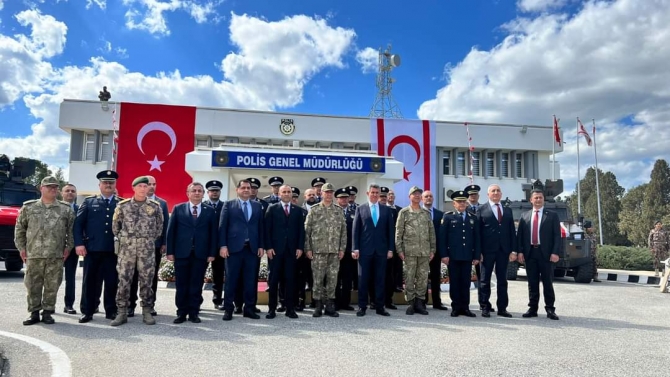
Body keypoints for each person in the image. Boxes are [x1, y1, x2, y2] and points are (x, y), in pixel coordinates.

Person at [15, 176, 75, 325]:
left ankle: (47, 312)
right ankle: (34, 313)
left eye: (55, 187)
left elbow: (72, 231)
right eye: (49, 187)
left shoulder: (65, 209)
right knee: (32, 285)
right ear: (41, 188)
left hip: (56, 255)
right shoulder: (29, 207)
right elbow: (19, 229)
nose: (53, 189)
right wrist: (21, 248)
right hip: (33, 254)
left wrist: (68, 248)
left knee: (52, 285)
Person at [110, 176, 164, 326]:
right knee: (124, 280)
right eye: (139, 186)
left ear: (148, 189)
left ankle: (147, 310)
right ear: (133, 188)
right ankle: (122, 312)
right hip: (126, 250)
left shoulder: (155, 207)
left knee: (147, 280)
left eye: (145, 186)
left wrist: (145, 239)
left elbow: (159, 228)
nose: (142, 189)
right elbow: (115, 227)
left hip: (146, 250)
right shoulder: (123, 206)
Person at [75, 170, 123, 323]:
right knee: (90, 282)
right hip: (92, 248)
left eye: (111, 182)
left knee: (112, 282)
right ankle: (87, 311)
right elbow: (78, 225)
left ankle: (111, 311)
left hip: (113, 250)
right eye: (105, 182)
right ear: (100, 185)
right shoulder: (89, 202)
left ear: (115, 185)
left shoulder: (121, 204)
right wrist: (79, 244)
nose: (108, 185)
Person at [166, 182, 218, 324]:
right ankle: (181, 313)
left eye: (199, 191)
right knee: (181, 285)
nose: (196, 193)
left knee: (196, 285)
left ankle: (194, 312)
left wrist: (212, 252)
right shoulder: (178, 208)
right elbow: (171, 232)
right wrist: (170, 251)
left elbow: (213, 234)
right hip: (181, 253)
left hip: (200, 254)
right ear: (187, 193)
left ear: (203, 193)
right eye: (193, 190)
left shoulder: (209, 211)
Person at [218, 179, 264, 321]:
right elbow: (222, 227)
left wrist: (261, 245)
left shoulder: (257, 206)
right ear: (237, 190)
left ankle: (249, 309)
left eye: (248, 188)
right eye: (243, 187)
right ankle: (228, 309)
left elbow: (260, 228)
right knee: (231, 280)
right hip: (233, 250)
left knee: (250, 281)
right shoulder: (229, 204)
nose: (246, 190)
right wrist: (223, 245)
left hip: (252, 249)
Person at [516, 188, 562, 320]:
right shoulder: (524, 216)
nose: (538, 200)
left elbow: (557, 236)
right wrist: (520, 251)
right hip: (530, 253)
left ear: (544, 200)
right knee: (532, 282)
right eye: (535, 198)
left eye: (540, 198)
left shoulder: (552, 215)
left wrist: (555, 252)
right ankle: (532, 308)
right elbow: (520, 236)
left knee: (547, 282)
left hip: (546, 254)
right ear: (531, 200)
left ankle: (550, 309)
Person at [128, 175, 169, 317]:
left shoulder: (162, 204)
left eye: (153, 183)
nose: (151, 186)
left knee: (150, 278)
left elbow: (165, 226)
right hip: (133, 247)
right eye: (148, 183)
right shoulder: (130, 203)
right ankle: (130, 305)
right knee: (132, 277)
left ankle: (150, 305)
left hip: (153, 247)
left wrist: (164, 243)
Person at [352, 183, 395, 317]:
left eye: (377, 193)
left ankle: (379, 306)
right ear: (368, 193)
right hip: (365, 250)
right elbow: (356, 230)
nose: (375, 195)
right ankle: (362, 306)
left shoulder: (386, 210)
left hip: (381, 251)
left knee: (380, 279)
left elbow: (390, 231)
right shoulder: (361, 209)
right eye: (373, 192)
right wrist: (355, 248)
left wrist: (390, 249)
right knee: (363, 279)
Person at [304, 183, 346, 318]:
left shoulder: (338, 210)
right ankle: (317, 305)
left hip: (334, 251)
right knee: (317, 279)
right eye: (326, 192)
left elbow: (343, 232)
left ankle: (329, 305)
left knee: (332, 280)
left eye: (330, 192)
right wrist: (308, 248)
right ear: (321, 193)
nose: (328, 194)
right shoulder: (314, 210)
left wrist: (342, 249)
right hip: (318, 251)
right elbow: (307, 231)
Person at [264, 185, 305, 319]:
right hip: (275, 251)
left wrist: (300, 247)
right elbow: (267, 230)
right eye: (284, 192)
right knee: (274, 280)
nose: (287, 194)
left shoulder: (298, 210)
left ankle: (290, 309)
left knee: (290, 280)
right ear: (279, 194)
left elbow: (301, 232)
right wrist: (268, 247)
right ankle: (271, 309)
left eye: (289, 192)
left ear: (292, 194)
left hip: (292, 252)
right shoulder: (272, 208)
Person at [476, 184, 516, 318]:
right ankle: (485, 306)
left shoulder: (508, 210)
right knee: (484, 280)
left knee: (502, 280)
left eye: (498, 190)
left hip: (503, 251)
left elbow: (511, 232)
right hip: (487, 251)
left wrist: (513, 250)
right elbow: (477, 233)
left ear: (501, 194)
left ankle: (502, 308)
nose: (496, 192)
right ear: (488, 194)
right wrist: (478, 251)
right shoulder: (481, 209)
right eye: (493, 191)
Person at [439, 191, 480, 318]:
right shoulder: (448, 217)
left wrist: (476, 256)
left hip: (467, 256)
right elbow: (442, 238)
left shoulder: (473, 217)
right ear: (454, 203)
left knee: (465, 282)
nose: (462, 204)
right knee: (455, 282)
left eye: (463, 201)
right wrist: (444, 255)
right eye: (459, 202)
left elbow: (477, 238)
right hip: (453, 256)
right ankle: (456, 307)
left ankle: (465, 307)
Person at [395, 186, 435, 315]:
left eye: (419, 194)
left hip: (424, 252)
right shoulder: (404, 212)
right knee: (409, 278)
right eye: (414, 194)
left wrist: (432, 249)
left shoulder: (426, 213)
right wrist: (399, 250)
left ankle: (419, 303)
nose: (417, 196)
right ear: (409, 197)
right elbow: (398, 232)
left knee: (423, 279)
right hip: (409, 252)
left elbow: (431, 233)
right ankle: (411, 303)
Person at [422, 190, 448, 311]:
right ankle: (423, 301)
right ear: (422, 199)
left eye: (430, 196)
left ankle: (437, 301)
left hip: (435, 251)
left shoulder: (439, 214)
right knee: (422, 276)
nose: (428, 198)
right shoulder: (418, 213)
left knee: (436, 276)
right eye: (426, 196)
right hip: (421, 250)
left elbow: (443, 234)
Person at [203, 180, 226, 310]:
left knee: (218, 275)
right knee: (199, 274)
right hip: (204, 247)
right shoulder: (202, 205)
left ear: (220, 192)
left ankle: (217, 300)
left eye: (216, 190)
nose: (214, 192)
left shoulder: (225, 206)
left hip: (219, 247)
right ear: (208, 192)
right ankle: (197, 301)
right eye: (212, 190)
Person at [60, 183, 81, 315]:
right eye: (67, 191)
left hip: (72, 249)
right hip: (55, 247)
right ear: (62, 193)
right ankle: (47, 305)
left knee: (70, 278)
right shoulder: (55, 208)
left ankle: (69, 305)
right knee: (50, 278)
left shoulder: (80, 209)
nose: (70, 193)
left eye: (73, 191)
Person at [465, 184, 485, 309]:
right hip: (466, 248)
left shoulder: (484, 209)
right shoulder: (462, 208)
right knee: (465, 278)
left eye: (475, 194)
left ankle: (483, 303)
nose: (473, 196)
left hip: (481, 249)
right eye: (471, 194)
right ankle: (464, 304)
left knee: (482, 278)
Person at [335, 188, 355, 311]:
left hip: (348, 251)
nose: (344, 200)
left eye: (346, 197)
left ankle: (345, 303)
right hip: (335, 250)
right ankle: (336, 303)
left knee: (347, 278)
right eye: (341, 198)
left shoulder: (355, 212)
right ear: (337, 199)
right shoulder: (332, 211)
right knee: (335, 278)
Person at [297, 188, 317, 310]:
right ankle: (301, 301)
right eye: (309, 194)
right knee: (301, 278)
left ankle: (315, 301)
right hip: (303, 250)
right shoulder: (299, 210)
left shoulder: (320, 210)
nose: (311, 196)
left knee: (315, 278)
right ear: (305, 196)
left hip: (317, 250)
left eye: (313, 195)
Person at [387, 189, 403, 293]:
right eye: (389, 194)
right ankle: (389, 286)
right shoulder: (383, 209)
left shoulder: (400, 210)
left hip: (398, 242)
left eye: (393, 194)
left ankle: (398, 285)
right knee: (389, 267)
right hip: (388, 242)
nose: (391, 196)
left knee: (398, 265)